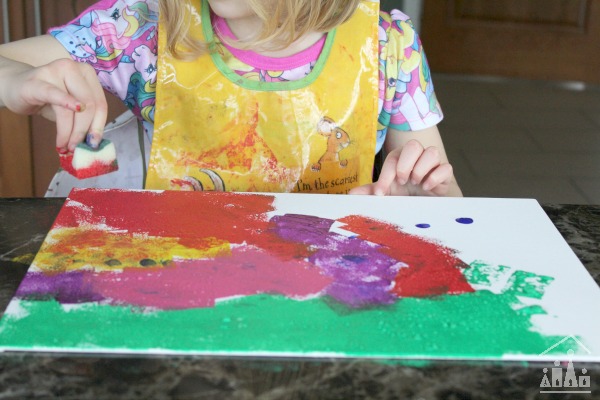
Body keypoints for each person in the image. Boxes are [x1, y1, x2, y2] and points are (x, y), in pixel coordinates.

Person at [0, 0, 462, 197]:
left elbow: (445, 199)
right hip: (173, 299)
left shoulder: (387, 47)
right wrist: (18, 83)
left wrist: (425, 201)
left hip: (327, 310)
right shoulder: (139, 29)